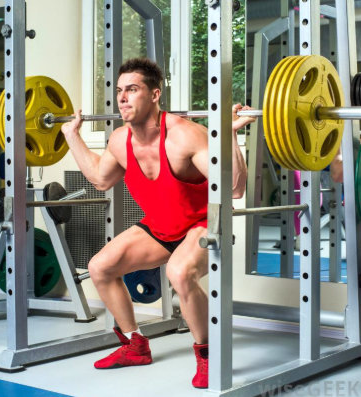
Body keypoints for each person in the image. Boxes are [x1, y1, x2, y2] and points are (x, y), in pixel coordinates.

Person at [61, 57, 255, 389]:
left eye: (132, 89)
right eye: (120, 91)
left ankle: (209, 355)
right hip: (161, 227)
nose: (122, 98)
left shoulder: (184, 136)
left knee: (179, 272)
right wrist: (71, 135)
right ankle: (135, 346)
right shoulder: (120, 141)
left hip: (202, 225)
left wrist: (230, 135)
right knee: (100, 267)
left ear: (155, 94)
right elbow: (100, 180)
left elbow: (234, 188)